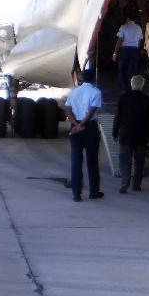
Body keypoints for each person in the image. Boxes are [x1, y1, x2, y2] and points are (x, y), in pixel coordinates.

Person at [64, 69, 103, 202]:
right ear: (94, 78)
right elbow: (92, 111)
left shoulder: (74, 91)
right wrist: (83, 125)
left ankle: (76, 193)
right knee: (92, 161)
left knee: (76, 161)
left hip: (75, 127)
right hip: (89, 127)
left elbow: (67, 109)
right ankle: (94, 191)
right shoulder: (96, 92)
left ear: (82, 78)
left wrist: (75, 124)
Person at [112, 74, 149, 193]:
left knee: (125, 160)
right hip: (141, 136)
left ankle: (125, 183)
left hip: (126, 135)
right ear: (142, 85)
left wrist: (114, 133)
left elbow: (118, 118)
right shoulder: (148, 100)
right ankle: (136, 184)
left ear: (131, 85)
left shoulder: (123, 98)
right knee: (139, 161)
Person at [113, 11, 143, 92]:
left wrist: (115, 53)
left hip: (125, 50)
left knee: (121, 70)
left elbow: (119, 41)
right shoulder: (138, 28)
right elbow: (140, 40)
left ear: (127, 18)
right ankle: (131, 88)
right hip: (134, 50)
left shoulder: (123, 27)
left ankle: (124, 88)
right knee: (132, 70)